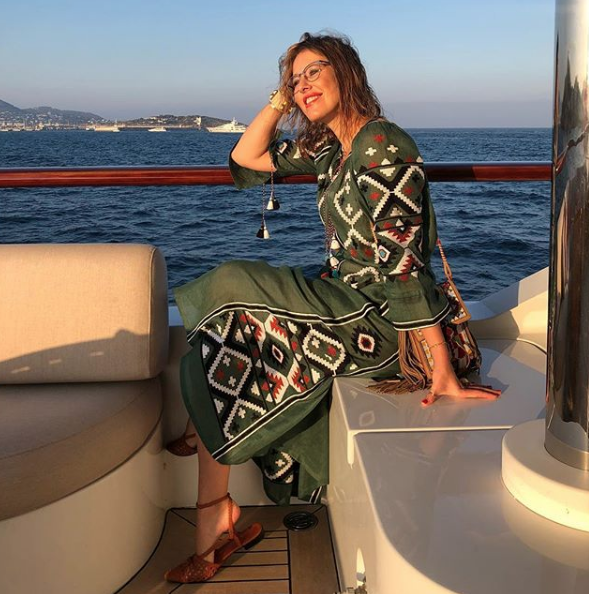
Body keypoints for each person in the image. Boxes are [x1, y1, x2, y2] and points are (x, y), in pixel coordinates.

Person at [165, 31, 501, 584]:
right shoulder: (328, 148)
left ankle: (209, 485)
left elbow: (404, 263)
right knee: (220, 346)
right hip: (344, 301)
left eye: (315, 71)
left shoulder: (381, 144)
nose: (303, 86)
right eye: (294, 79)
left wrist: (440, 366)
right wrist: (279, 100)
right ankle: (215, 502)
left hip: (385, 322)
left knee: (231, 284)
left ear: (347, 72)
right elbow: (245, 159)